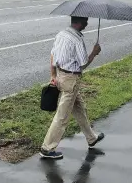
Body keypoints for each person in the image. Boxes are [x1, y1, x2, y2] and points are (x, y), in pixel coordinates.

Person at [40, 16, 104, 159]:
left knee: (79, 107)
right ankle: (47, 148)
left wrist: (53, 75)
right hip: (71, 79)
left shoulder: (61, 34)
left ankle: (91, 138)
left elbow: (52, 55)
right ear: (80, 23)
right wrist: (94, 52)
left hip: (60, 75)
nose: (87, 25)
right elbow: (83, 64)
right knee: (62, 116)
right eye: (86, 22)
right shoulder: (77, 40)